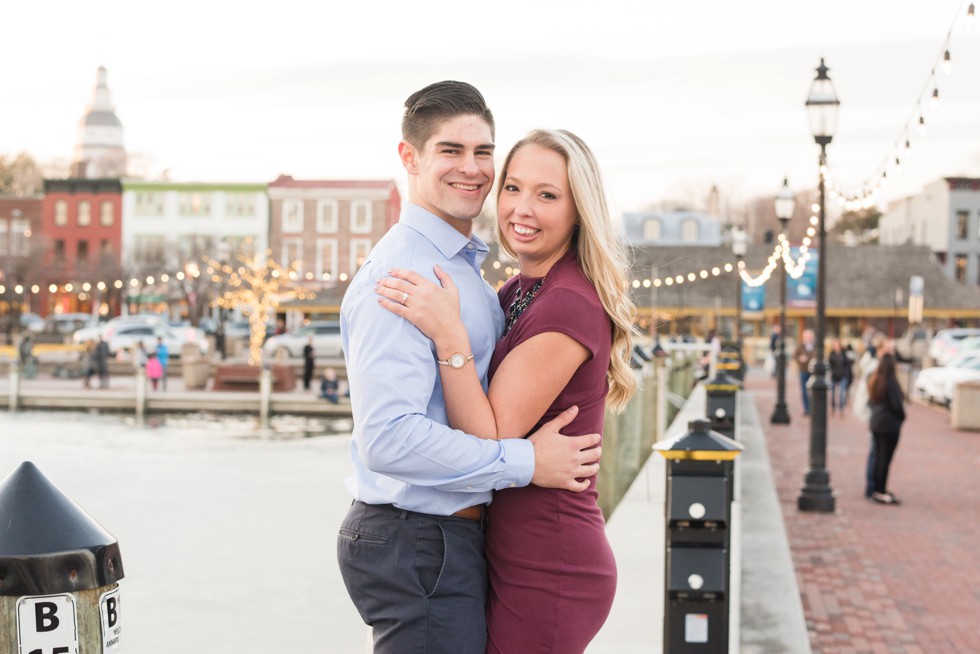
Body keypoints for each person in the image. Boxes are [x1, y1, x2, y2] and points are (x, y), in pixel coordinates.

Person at [336, 81, 603, 654]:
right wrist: (526, 461)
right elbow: (387, 438)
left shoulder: (471, 277)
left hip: (448, 540)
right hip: (419, 537)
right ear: (409, 158)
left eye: (484, 152)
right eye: (450, 151)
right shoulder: (405, 276)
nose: (473, 169)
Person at [377, 128, 636, 652]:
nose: (522, 208)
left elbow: (488, 433)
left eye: (547, 195)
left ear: (578, 210)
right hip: (506, 547)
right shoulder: (518, 290)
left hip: (551, 561)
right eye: (513, 188)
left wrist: (450, 335)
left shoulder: (568, 303)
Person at [866, 352, 905, 505]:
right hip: (889, 425)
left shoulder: (875, 379)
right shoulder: (891, 382)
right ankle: (880, 491)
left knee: (878, 457)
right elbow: (897, 405)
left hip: (876, 423)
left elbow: (870, 401)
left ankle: (876, 489)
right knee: (885, 459)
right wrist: (902, 417)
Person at [853, 332, 887, 497]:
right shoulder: (874, 368)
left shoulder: (872, 365)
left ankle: (872, 485)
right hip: (876, 415)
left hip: (875, 414)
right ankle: (871, 486)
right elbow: (872, 392)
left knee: (875, 449)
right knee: (875, 450)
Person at [795, 328, 816, 416]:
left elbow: (815, 357)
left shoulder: (816, 346)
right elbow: (796, 355)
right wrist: (800, 359)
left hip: (813, 372)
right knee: (804, 391)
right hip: (803, 370)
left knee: (813, 391)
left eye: (809, 337)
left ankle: (813, 408)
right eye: (806, 337)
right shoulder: (801, 346)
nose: (808, 339)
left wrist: (807, 358)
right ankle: (807, 409)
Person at [828, 337, 851, 414]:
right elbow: (829, 364)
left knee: (842, 393)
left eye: (837, 344)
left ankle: (841, 409)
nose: (836, 346)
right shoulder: (832, 353)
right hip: (834, 376)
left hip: (843, 375)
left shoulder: (844, 353)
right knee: (833, 393)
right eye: (835, 344)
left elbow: (848, 364)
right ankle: (833, 408)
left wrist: (846, 374)